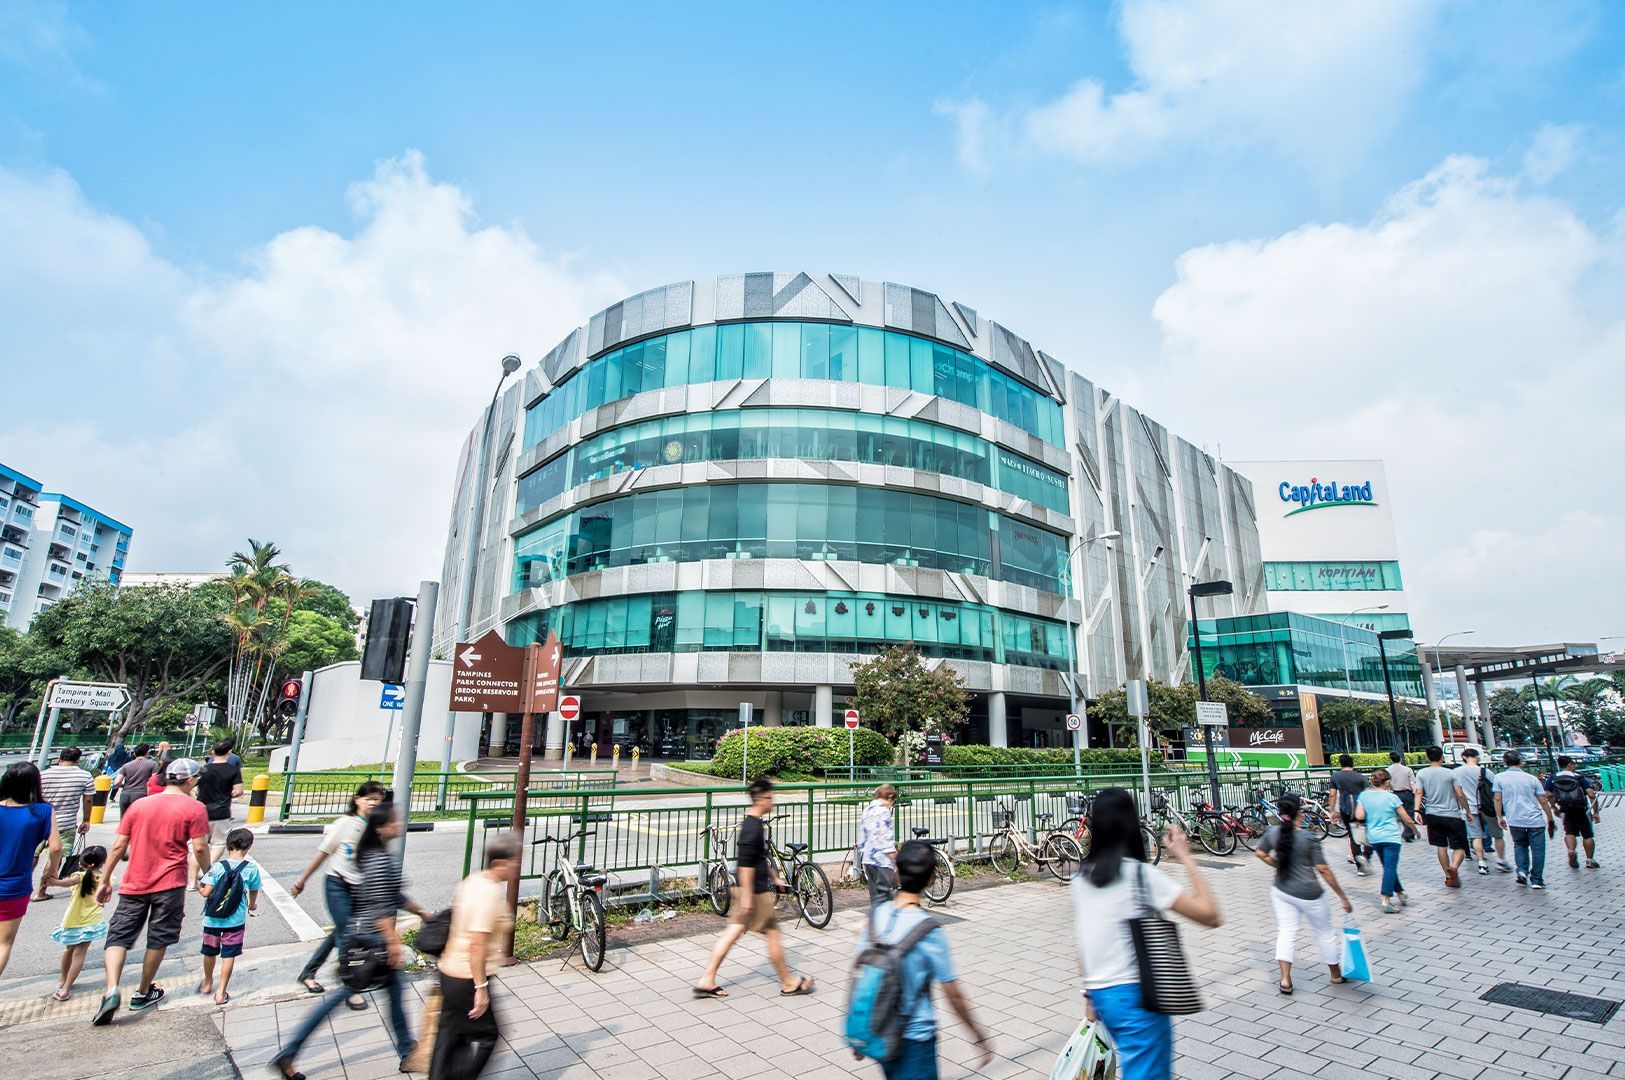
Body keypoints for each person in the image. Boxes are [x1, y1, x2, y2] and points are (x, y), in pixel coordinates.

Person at [1069, 787, 1221, 1080]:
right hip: (1137, 999)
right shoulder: (1141, 876)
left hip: (1103, 997)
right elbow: (1210, 915)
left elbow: (1085, 943)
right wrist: (1186, 857)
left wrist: (1089, 997)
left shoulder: (1082, 878)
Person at [274, 805, 428, 1077]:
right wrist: (392, 943)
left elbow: (393, 896)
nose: (400, 823)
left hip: (368, 938)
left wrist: (423, 913)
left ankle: (407, 1051)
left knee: (393, 994)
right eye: (395, 820)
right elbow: (379, 907)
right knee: (349, 996)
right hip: (371, 941)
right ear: (381, 828)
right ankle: (289, 1052)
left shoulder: (375, 856)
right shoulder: (379, 860)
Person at [852, 840, 992, 1079]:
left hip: (880, 1033)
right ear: (931, 879)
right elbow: (953, 993)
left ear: (896, 872)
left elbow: (862, 976)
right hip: (916, 1040)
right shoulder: (929, 930)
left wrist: (860, 1029)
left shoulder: (875, 918)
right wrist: (978, 1035)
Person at [93, 757, 210, 1025]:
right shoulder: (195, 807)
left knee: (119, 935)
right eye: (197, 778)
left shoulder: (140, 805)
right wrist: (208, 873)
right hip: (170, 883)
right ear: (189, 780)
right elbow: (200, 847)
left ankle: (111, 990)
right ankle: (143, 991)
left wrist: (105, 879)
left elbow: (118, 846)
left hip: (135, 881)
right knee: (158, 938)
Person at [694, 778, 815, 998]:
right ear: (760, 799)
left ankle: (707, 979)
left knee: (733, 933)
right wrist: (748, 898)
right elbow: (746, 865)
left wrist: (775, 878)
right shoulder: (752, 828)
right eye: (770, 797)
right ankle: (788, 982)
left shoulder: (754, 824)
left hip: (752, 891)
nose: (772, 801)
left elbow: (759, 858)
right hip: (755, 894)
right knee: (773, 934)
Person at [430, 831, 521, 1080]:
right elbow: (477, 944)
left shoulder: (474, 880)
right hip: (467, 978)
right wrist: (480, 988)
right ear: (499, 862)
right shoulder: (488, 893)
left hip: (449, 971)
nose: (517, 867)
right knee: (487, 1035)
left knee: (449, 1039)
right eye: (514, 861)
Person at [290, 780, 386, 1006]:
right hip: (337, 884)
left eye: (377, 800)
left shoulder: (378, 827)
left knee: (339, 933)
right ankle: (350, 987)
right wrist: (302, 881)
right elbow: (323, 853)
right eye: (368, 798)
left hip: (360, 888)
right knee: (347, 935)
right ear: (357, 800)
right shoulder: (345, 823)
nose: (373, 803)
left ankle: (308, 972)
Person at [1255, 795, 1352, 995]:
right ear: (1299, 813)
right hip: (1311, 894)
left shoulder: (1272, 832)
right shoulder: (1308, 837)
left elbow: (1260, 853)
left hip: (1281, 890)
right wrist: (1342, 896)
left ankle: (1285, 980)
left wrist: (1277, 864)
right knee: (1325, 932)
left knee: (1286, 932)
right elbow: (1323, 869)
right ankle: (1335, 974)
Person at [1, 761, 65, 977]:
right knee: (3, 943)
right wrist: (52, 871)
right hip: (13, 887)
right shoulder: (42, 811)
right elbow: (56, 847)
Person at [197, 827, 261, 1005]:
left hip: (212, 920)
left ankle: (207, 983)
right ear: (249, 846)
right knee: (228, 955)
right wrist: (252, 904)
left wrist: (199, 886)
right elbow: (254, 890)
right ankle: (221, 992)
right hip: (235, 921)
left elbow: (206, 892)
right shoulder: (251, 869)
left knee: (209, 952)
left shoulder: (218, 867)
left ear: (227, 847)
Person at [1355, 768, 1423, 913]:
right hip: (1391, 837)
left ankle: (1401, 893)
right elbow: (1406, 818)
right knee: (1390, 868)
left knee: (1388, 867)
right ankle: (1386, 899)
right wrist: (1416, 831)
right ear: (1387, 782)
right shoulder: (1392, 797)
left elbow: (1359, 816)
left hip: (1374, 837)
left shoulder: (1364, 795)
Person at [50, 844, 110, 1001]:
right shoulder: (105, 878)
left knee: (68, 951)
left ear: (81, 862)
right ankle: (66, 988)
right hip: (91, 922)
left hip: (73, 921)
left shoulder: (79, 876)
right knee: (79, 954)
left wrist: (53, 882)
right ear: (103, 862)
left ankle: (63, 981)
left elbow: (67, 882)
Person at [36, 746, 95, 900]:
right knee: (55, 857)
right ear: (78, 760)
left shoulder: (42, 775)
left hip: (40, 820)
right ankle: (41, 892)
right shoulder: (85, 776)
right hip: (66, 823)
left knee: (32, 854)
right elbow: (88, 799)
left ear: (59, 759)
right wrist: (86, 820)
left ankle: (22, 887)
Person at [1494, 751, 1557, 889]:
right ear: (1520, 761)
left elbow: (1497, 798)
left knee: (1519, 845)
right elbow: (1543, 800)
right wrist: (1550, 817)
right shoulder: (1531, 779)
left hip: (1514, 819)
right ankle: (1537, 879)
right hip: (1535, 820)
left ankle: (1522, 871)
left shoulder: (1499, 778)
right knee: (1538, 850)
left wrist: (1499, 816)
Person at [1452, 748, 1512, 875]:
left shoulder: (1456, 772)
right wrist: (1499, 814)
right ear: (1477, 757)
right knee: (1498, 835)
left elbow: (1456, 792)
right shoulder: (1485, 772)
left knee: (1476, 836)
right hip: (1488, 808)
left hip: (1469, 809)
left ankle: (1481, 863)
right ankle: (1501, 860)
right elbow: (1496, 791)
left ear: (1463, 757)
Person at [1417, 746, 1467, 888]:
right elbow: (1460, 794)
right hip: (1452, 814)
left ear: (1427, 757)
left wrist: (1416, 811)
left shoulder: (1421, 773)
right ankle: (1454, 867)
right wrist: (1467, 810)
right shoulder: (1451, 773)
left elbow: (1419, 793)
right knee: (1460, 846)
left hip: (1432, 814)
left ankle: (1448, 876)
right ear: (1442, 757)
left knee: (1441, 846)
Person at [1545, 756, 1601, 870]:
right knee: (1587, 834)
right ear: (1569, 765)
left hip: (1565, 809)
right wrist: (1595, 811)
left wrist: (1554, 807)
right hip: (1582, 809)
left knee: (1569, 832)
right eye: (1574, 764)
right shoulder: (1579, 778)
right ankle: (1590, 860)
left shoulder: (1553, 778)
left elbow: (1548, 794)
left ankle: (1571, 850)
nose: (1576, 766)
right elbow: (1591, 794)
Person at [195, 739, 244, 861]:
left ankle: (194, 872)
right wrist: (227, 795)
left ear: (213, 752)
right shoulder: (233, 770)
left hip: (201, 811)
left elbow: (192, 786)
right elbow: (239, 791)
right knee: (218, 843)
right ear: (229, 752)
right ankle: (208, 867)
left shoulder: (203, 770)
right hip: (221, 812)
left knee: (199, 845)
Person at [1326, 755, 1370, 874]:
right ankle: (1366, 856)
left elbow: (1332, 794)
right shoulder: (1360, 777)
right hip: (1361, 809)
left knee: (1353, 837)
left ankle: (1360, 867)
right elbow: (1368, 794)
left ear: (1340, 764)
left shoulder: (1335, 777)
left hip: (1345, 809)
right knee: (1368, 834)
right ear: (1352, 763)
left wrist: (1332, 811)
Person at [858, 784, 899, 909]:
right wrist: (894, 858)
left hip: (868, 859)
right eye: (893, 802)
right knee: (886, 896)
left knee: (875, 897)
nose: (891, 805)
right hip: (882, 861)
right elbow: (885, 839)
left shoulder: (867, 810)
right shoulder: (884, 812)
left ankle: (876, 918)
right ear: (890, 797)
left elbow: (862, 836)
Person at [113, 743, 159, 816]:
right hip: (141, 795)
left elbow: (117, 782)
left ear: (135, 753)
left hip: (125, 795)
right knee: (140, 820)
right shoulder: (153, 764)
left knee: (124, 820)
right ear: (147, 752)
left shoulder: (126, 766)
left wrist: (123, 785)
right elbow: (155, 780)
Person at [1386, 751, 1418, 842]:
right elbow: (1412, 783)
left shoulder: (1387, 770)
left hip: (1395, 794)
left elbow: (1387, 784)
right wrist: (1415, 793)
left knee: (1401, 814)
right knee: (1409, 813)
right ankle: (1408, 833)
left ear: (1391, 759)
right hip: (1407, 793)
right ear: (1400, 759)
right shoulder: (1408, 770)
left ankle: (1408, 832)